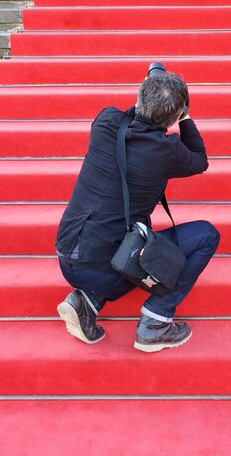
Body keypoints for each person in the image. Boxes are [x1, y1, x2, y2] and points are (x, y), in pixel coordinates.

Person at [55, 69, 220, 353]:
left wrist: (147, 96)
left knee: (118, 238)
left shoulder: (106, 121)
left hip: (67, 254)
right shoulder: (166, 150)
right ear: (173, 117)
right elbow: (200, 160)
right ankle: (156, 320)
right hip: (108, 267)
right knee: (207, 235)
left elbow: (130, 116)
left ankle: (88, 302)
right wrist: (185, 117)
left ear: (139, 97)